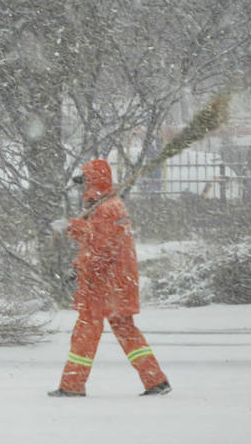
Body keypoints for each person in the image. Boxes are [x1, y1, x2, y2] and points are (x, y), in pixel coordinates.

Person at [49, 159, 171, 397]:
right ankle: (155, 380)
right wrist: (77, 267)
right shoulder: (107, 206)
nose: (82, 188)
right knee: (126, 331)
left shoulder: (107, 208)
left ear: (93, 181)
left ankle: (72, 386)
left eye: (84, 182)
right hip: (116, 283)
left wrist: (70, 226)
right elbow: (98, 246)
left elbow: (100, 244)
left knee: (86, 331)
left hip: (103, 285)